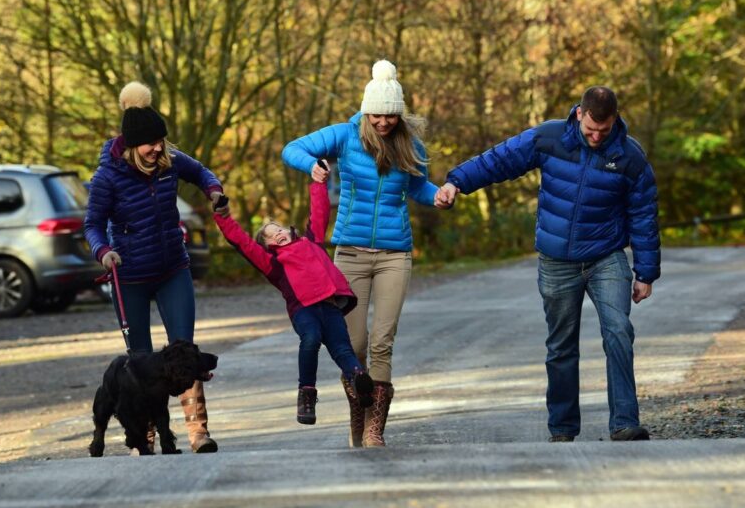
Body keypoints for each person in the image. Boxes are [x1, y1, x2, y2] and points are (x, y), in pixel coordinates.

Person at [437, 86, 660, 442]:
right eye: (591, 130)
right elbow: (500, 160)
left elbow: (644, 216)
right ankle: (562, 429)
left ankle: (624, 422)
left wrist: (646, 273)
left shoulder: (630, 157)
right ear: (579, 115)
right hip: (557, 261)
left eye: (604, 131)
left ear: (615, 120)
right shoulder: (550, 137)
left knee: (618, 331)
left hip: (607, 257)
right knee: (561, 344)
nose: (597, 137)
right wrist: (457, 182)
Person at [282, 59, 448, 448]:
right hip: (351, 254)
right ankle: (358, 410)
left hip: (395, 255)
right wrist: (313, 166)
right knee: (352, 345)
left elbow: (418, 189)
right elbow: (292, 149)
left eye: (390, 116)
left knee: (382, 342)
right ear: (366, 110)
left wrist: (437, 195)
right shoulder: (344, 136)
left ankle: (376, 427)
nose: (383, 123)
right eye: (376, 115)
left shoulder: (410, 143)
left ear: (398, 113)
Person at [84, 81, 230, 454]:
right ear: (132, 146)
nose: (158, 149)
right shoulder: (107, 178)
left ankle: (198, 432)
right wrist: (103, 251)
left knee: (185, 352)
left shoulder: (170, 163)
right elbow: (93, 225)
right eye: (150, 144)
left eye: (161, 142)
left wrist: (213, 191)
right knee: (140, 361)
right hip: (129, 275)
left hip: (171, 270)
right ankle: (145, 434)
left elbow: (203, 173)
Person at [213, 163, 375, 426]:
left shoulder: (311, 242)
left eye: (278, 228)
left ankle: (359, 380)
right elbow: (241, 241)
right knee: (310, 339)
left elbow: (319, 211)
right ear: (266, 246)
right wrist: (222, 216)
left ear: (289, 231)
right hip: (304, 310)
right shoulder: (272, 263)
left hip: (331, 305)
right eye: (269, 235)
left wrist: (319, 181)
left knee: (344, 349)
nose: (276, 232)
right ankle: (307, 395)